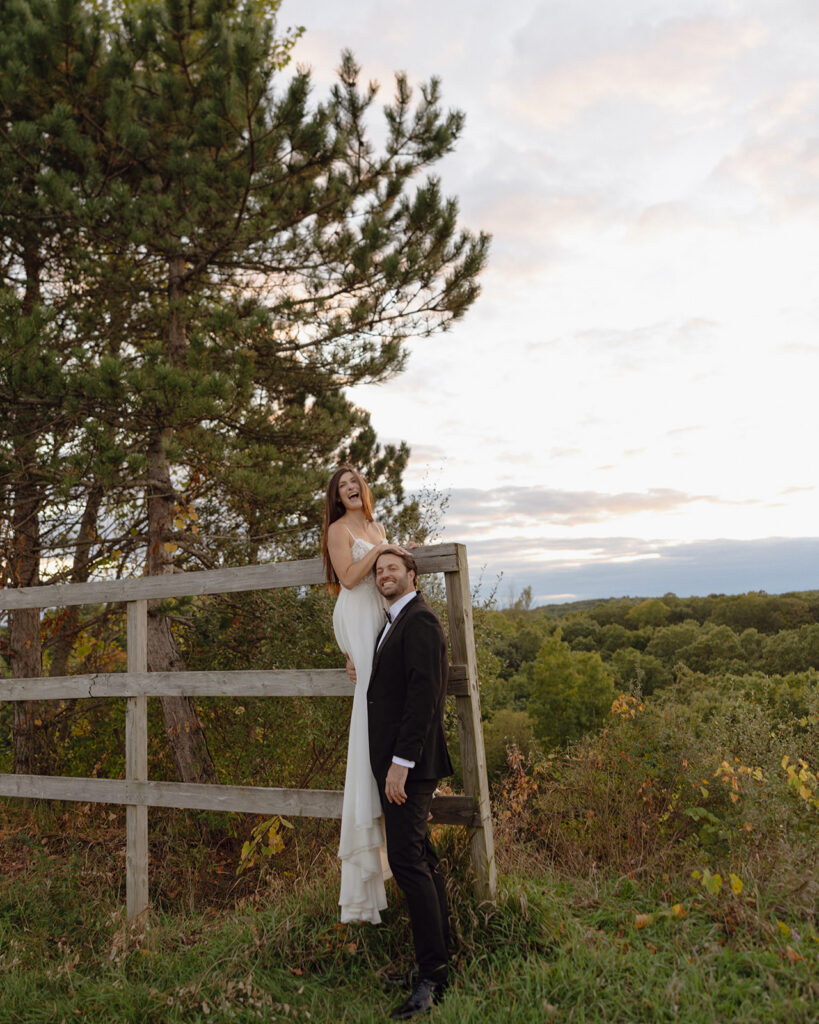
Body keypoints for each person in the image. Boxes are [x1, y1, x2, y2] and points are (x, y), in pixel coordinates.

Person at [367, 549, 453, 1020]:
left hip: (410, 767)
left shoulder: (420, 620)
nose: (385, 574)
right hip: (399, 764)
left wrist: (400, 763)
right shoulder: (392, 622)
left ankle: (432, 979)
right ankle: (438, 962)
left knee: (406, 862)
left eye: (393, 568)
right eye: (380, 570)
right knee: (420, 857)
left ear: (412, 575)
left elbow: (425, 696)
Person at [321, 466, 405, 924]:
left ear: (363, 488)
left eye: (354, 482)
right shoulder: (339, 530)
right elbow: (350, 577)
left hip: (380, 612)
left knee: (383, 699)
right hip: (356, 611)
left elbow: (384, 573)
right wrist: (380, 553)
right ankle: (363, 826)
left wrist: (384, 550)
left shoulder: (376, 525)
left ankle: (385, 801)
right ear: (336, 497)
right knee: (369, 705)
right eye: (341, 487)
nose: (350, 489)